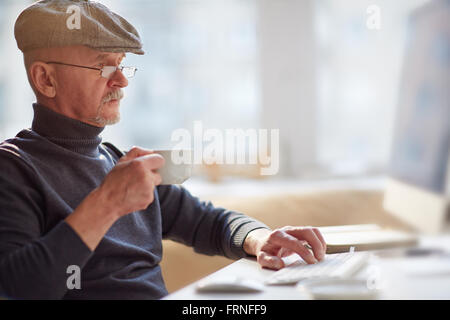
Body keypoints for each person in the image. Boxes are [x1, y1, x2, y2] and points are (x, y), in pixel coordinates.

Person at [0, 0, 326, 300]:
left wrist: (258, 239)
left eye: (121, 65)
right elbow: (22, 288)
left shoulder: (119, 163)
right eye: (103, 66)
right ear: (45, 79)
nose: (122, 82)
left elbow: (208, 221)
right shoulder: (13, 168)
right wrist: (106, 205)